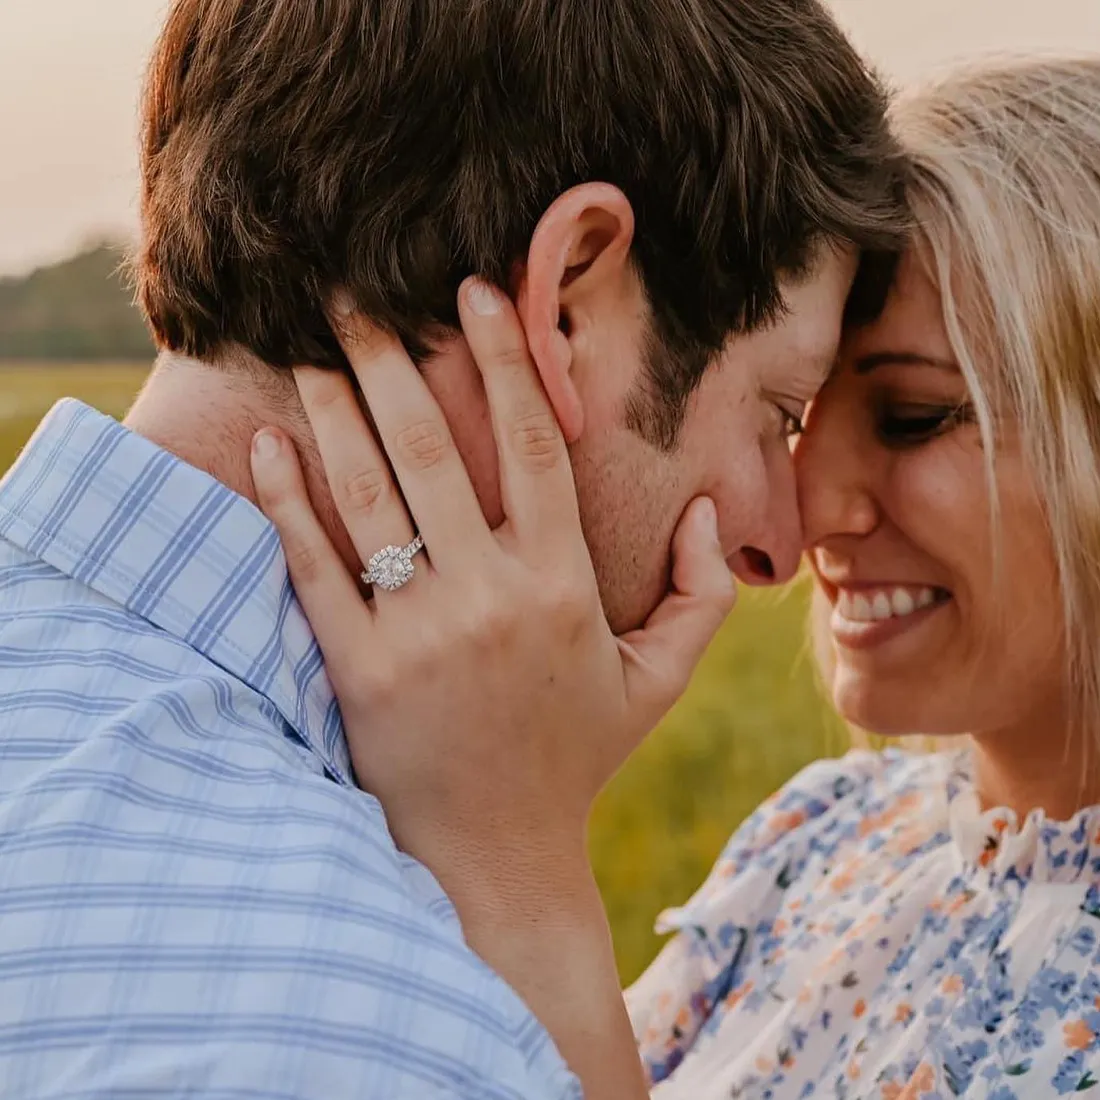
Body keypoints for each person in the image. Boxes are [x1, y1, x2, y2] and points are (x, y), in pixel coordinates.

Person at [0, 1, 907, 1098]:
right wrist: (526, 882)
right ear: (566, 298)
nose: (778, 547)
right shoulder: (399, 1037)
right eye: (778, 410)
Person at [248, 55, 1100, 1099]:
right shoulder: (819, 836)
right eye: (791, 416)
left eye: (911, 417)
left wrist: (518, 868)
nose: (806, 515)